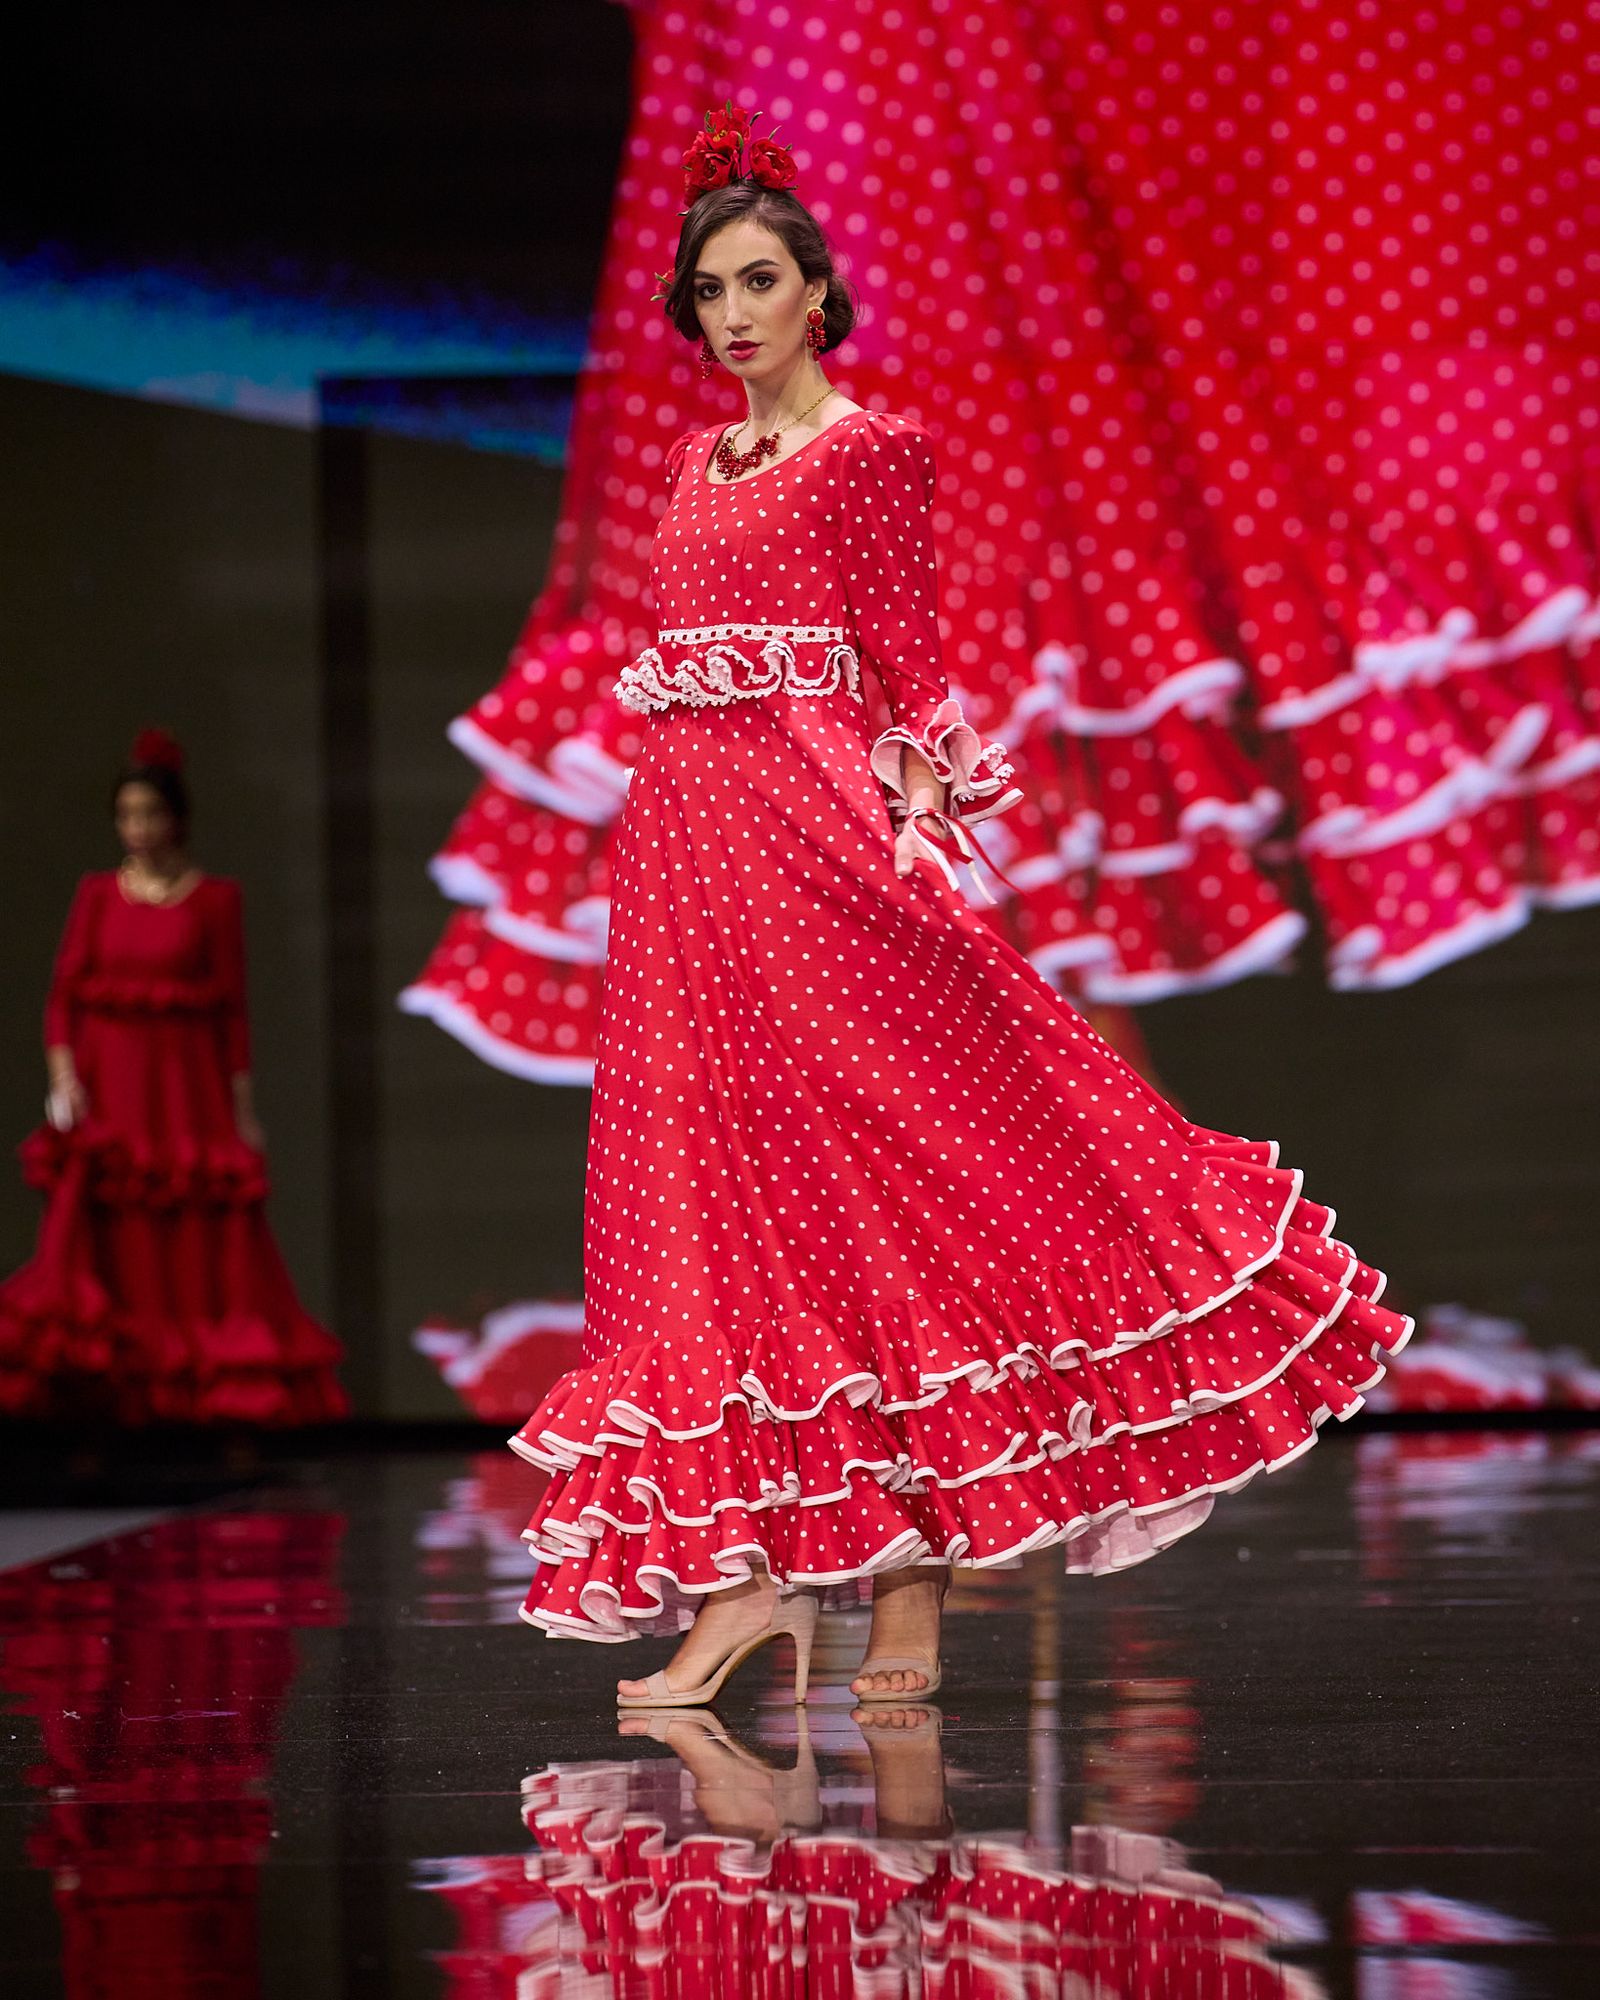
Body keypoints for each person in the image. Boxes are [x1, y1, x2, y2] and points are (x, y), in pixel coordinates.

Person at [508, 106, 1413, 1702]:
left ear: (815, 293)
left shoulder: (872, 448)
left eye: (761, 281)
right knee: (724, 1191)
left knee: (885, 1161)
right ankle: (804, 1580)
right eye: (710, 287)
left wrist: (918, 807)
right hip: (685, 853)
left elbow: (905, 657)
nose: (734, 313)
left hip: (807, 826)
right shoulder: (685, 456)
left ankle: (881, 1584)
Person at [0, 729, 347, 1423]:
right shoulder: (98, 895)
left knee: (194, 1228)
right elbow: (64, 994)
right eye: (127, 815)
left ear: (176, 818)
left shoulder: (214, 900)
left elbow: (232, 1011)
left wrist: (242, 1106)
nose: (138, 829)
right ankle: (111, 1397)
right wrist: (63, 1077)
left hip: (184, 1090)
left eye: (150, 814)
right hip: (111, 1082)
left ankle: (202, 1397)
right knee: (110, 1225)